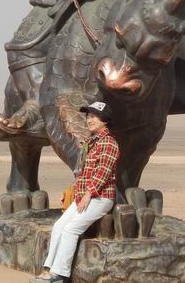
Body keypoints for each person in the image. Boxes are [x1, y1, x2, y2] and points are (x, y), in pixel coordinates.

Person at [37, 102, 119, 282]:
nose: (89, 120)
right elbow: (83, 173)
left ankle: (60, 274)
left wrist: (88, 195)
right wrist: (73, 191)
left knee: (71, 229)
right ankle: (48, 268)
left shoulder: (109, 143)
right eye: (88, 116)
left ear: (105, 120)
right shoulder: (91, 143)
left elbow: (102, 173)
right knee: (59, 226)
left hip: (100, 198)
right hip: (84, 197)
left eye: (94, 116)